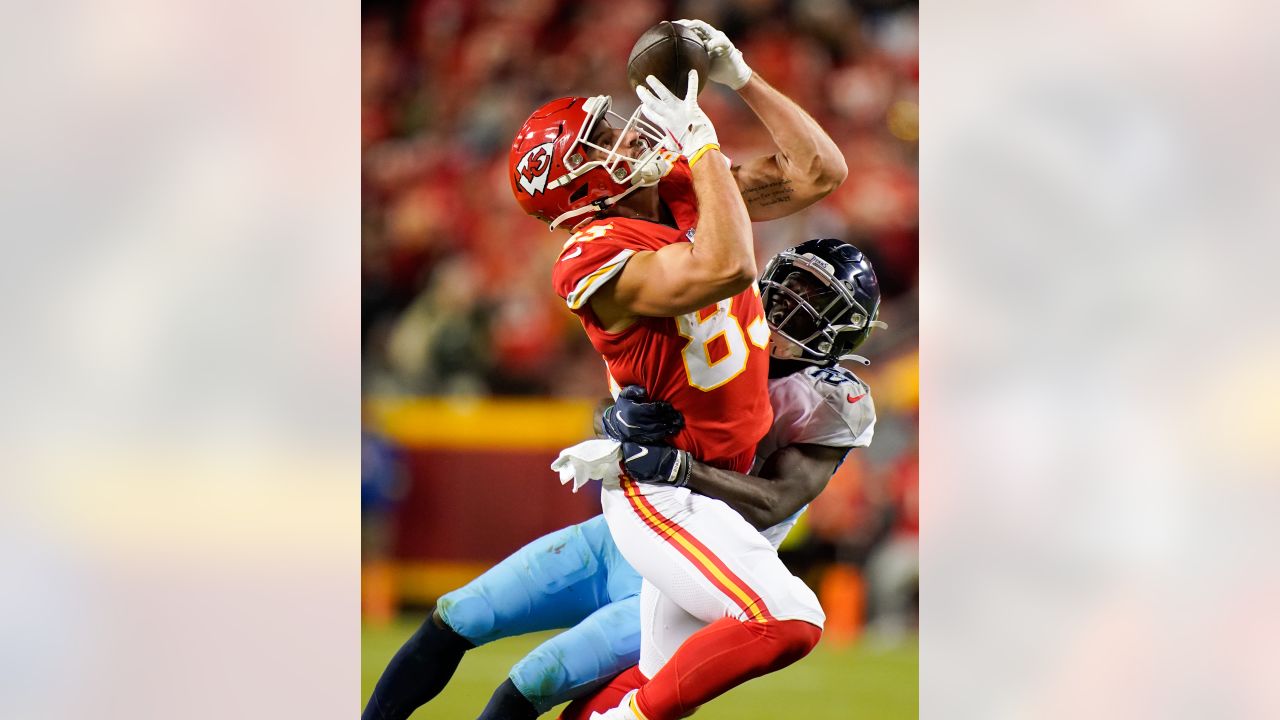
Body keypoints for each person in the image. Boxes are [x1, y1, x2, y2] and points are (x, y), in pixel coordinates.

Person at [361, 239, 883, 720]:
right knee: (458, 615)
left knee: (530, 681)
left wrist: (682, 468)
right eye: (791, 283)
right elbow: (617, 405)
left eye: (816, 295)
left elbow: (774, 502)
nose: (793, 302)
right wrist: (614, 421)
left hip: (687, 570)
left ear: (846, 328)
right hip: (622, 531)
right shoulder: (713, 324)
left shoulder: (830, 398)